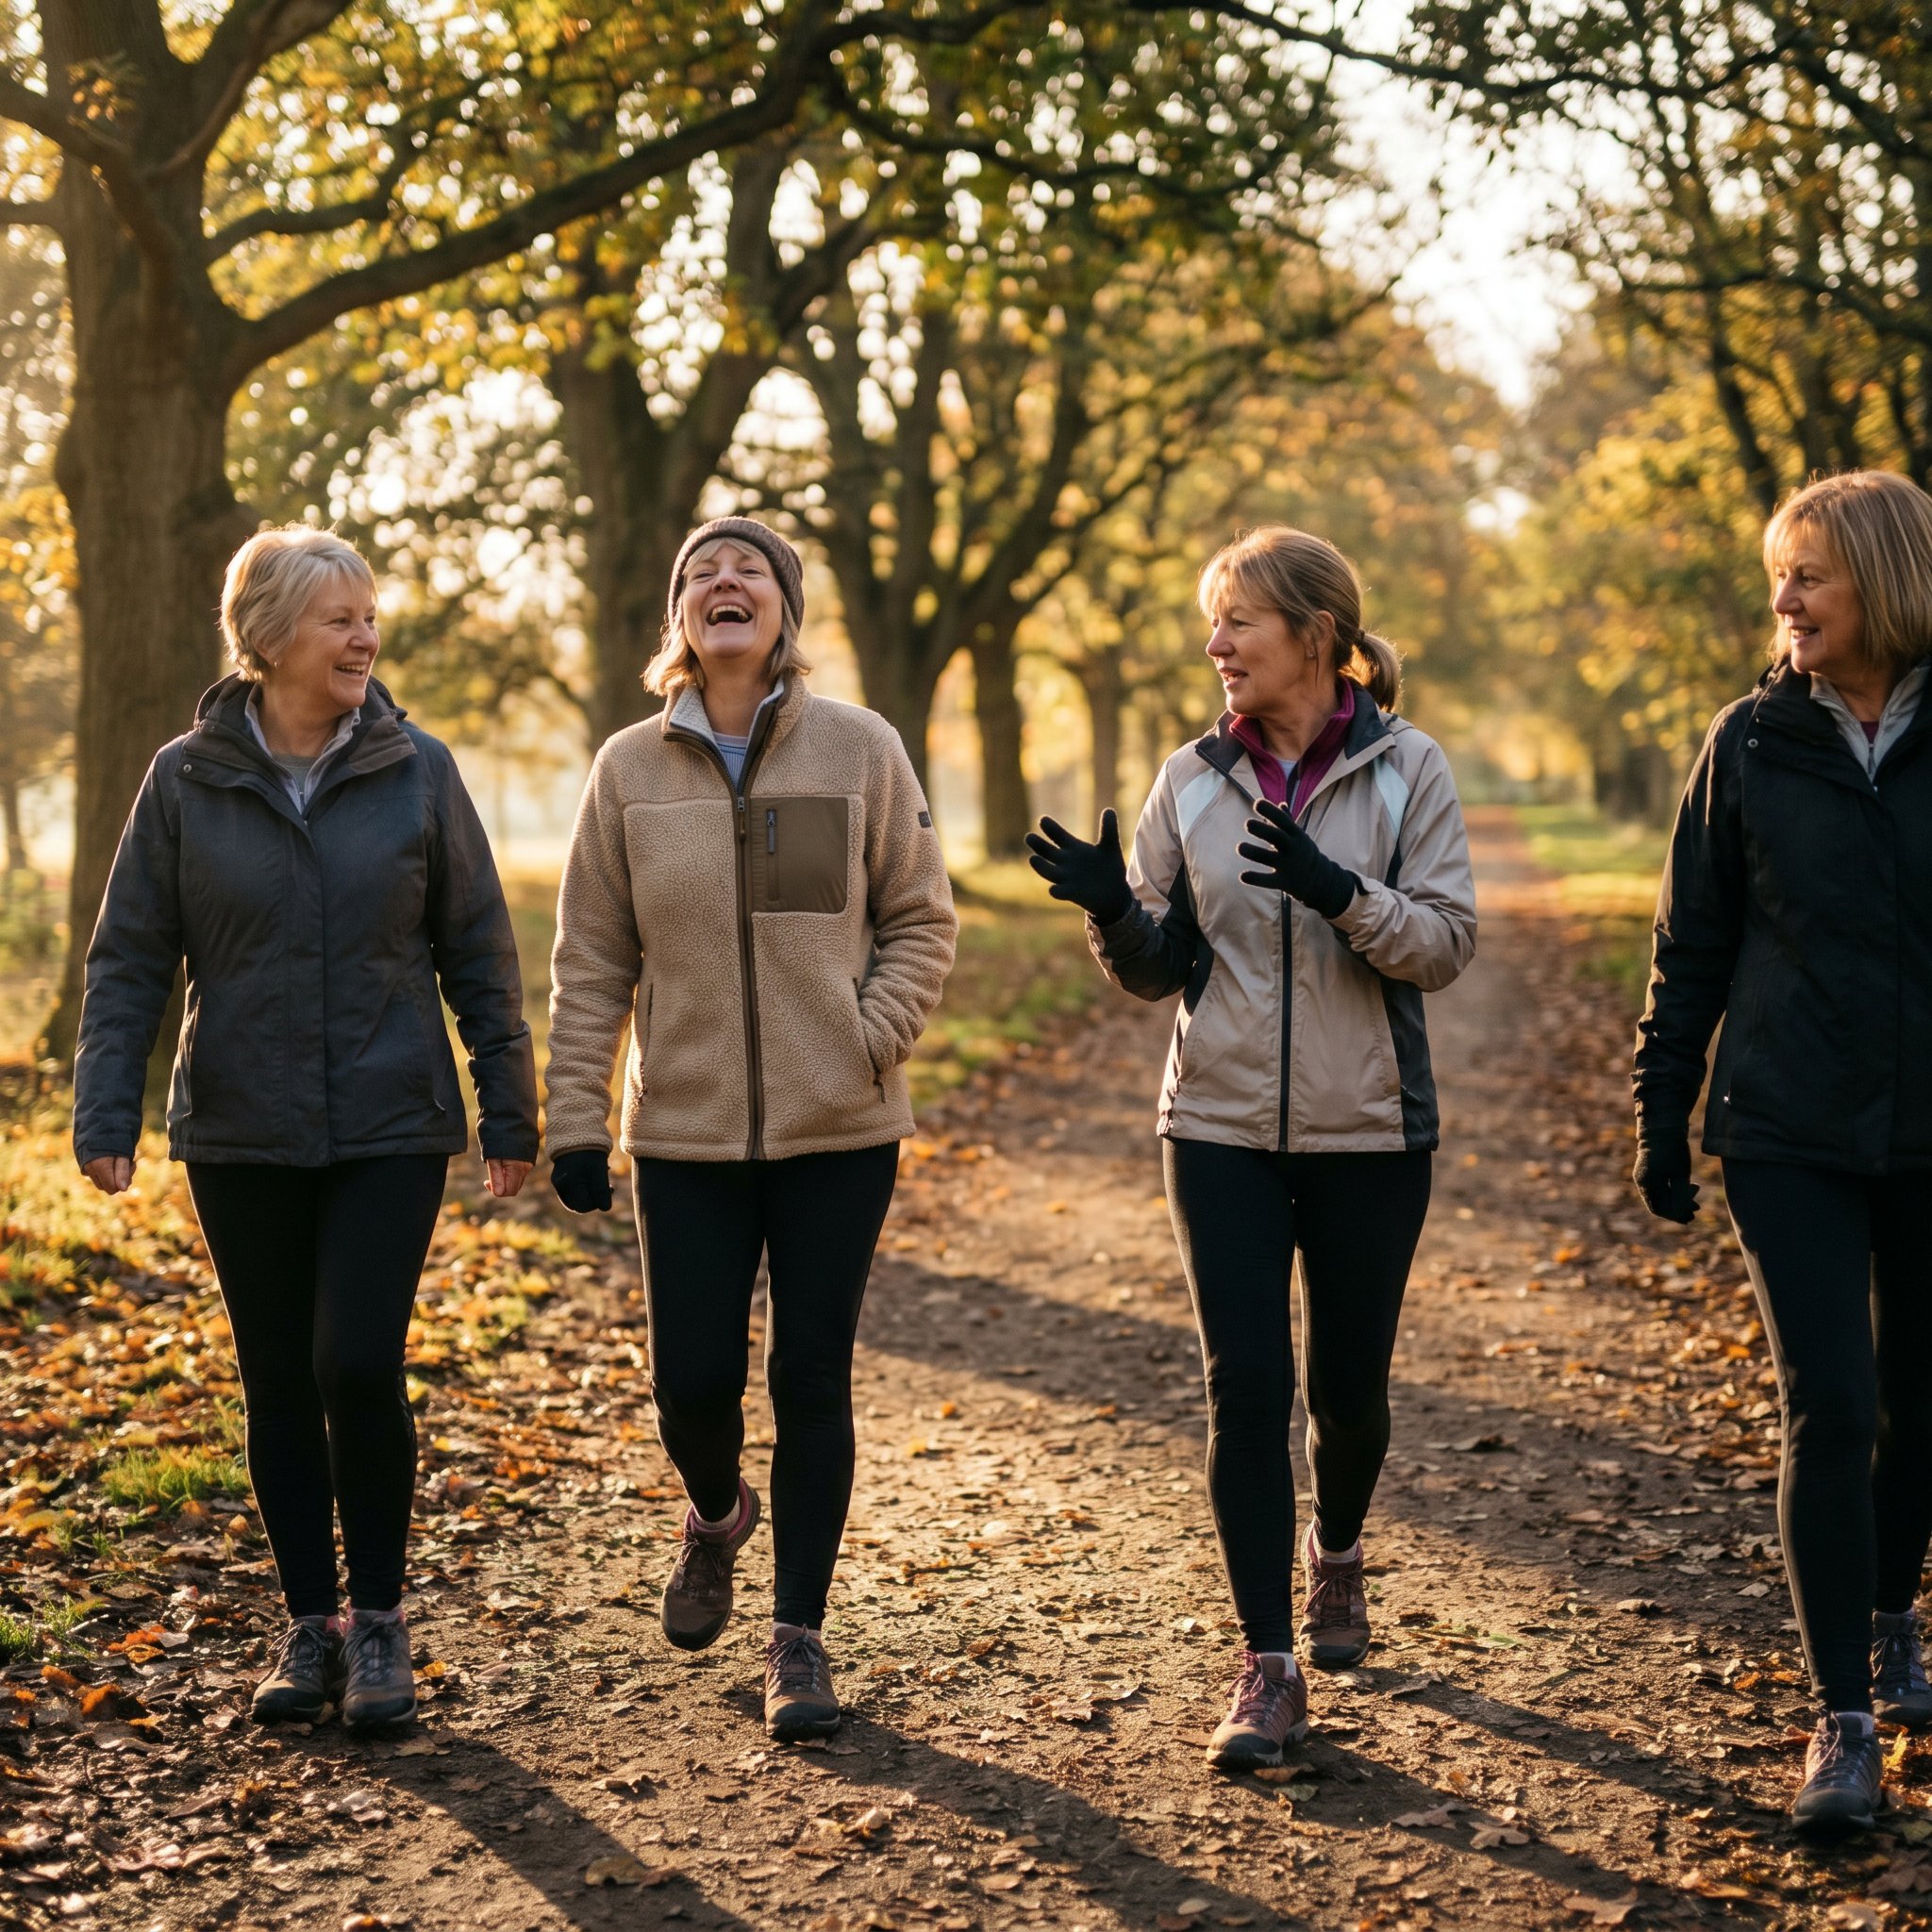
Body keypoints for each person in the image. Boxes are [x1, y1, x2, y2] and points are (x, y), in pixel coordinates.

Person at [73, 526, 538, 1732]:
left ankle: (380, 1618)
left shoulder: (417, 768)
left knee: (355, 1361)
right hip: (239, 1124)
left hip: (390, 1117)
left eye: (368, 616)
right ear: (269, 635)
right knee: (276, 1374)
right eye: (339, 618)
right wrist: (105, 1104)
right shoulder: (183, 778)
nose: (364, 637)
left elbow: (478, 948)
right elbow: (130, 955)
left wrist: (507, 1105)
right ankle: (310, 1619)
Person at [1028, 525, 1475, 1773]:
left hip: (1369, 1128)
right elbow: (1162, 969)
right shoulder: (1193, 775)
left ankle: (1338, 1549)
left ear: (1318, 638)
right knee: (1245, 1387)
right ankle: (1266, 1665)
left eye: (1240, 622)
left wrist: (1342, 893)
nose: (1216, 646)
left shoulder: (1407, 772)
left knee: (1349, 1395)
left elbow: (1444, 944)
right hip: (1215, 1122)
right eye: (1211, 623)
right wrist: (1115, 910)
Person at [543, 516, 956, 1740]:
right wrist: (575, 1119)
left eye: (752, 572)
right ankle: (716, 1514)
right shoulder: (626, 770)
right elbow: (590, 963)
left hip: (841, 1131)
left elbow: (920, 922)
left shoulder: (859, 749)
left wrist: (864, 1037)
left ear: (785, 611)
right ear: (678, 619)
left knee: (809, 1374)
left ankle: (799, 1641)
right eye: (701, 574)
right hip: (685, 1134)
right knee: (693, 1387)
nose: (726, 584)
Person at [1634, 469, 1932, 1835]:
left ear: (1885, 578)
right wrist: (1662, 1108)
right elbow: (1693, 941)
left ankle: (1886, 1616)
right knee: (1835, 1404)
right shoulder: (1750, 740)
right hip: (1789, 1127)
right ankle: (1845, 1726)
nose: (1786, 599)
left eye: (1811, 572)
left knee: (1921, 1406)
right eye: (1779, 575)